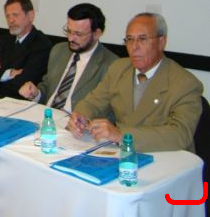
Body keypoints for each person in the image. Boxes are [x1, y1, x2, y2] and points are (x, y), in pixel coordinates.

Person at [68, 13, 203, 152]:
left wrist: (121, 135)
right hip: (121, 153)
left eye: (142, 39)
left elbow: (180, 135)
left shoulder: (185, 83)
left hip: (165, 155)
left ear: (161, 42)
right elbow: (93, 103)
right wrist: (80, 117)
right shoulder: (118, 68)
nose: (134, 47)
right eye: (129, 39)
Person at [18, 3, 117, 112]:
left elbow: (110, 111)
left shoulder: (112, 65)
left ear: (97, 34)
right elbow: (47, 86)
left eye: (78, 34)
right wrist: (36, 93)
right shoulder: (59, 50)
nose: (70, 39)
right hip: (46, 115)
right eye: (68, 31)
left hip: (76, 120)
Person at [0, 0, 51, 99]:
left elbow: (24, 82)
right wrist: (10, 73)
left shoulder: (41, 43)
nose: (10, 20)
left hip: (19, 101)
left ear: (30, 16)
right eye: (7, 16)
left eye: (15, 15)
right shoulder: (5, 40)